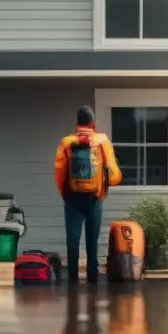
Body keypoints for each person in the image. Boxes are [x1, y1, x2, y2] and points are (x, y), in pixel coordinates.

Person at [54, 105, 122, 284]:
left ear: (77, 123)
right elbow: (114, 176)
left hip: (72, 198)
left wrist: (65, 193)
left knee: (73, 240)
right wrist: (104, 188)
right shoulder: (102, 140)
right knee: (92, 240)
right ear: (93, 122)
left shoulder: (66, 142)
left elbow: (59, 172)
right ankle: (93, 278)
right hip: (94, 198)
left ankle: (72, 279)